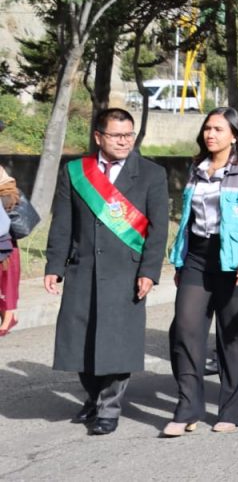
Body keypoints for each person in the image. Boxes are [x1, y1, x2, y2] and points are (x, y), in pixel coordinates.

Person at [43, 108, 170, 435]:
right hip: (83, 268)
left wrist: (149, 271)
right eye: (116, 135)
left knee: (117, 341)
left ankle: (109, 408)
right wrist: (55, 265)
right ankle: (94, 396)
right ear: (99, 137)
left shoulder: (152, 173)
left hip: (126, 271)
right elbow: (63, 223)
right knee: (81, 339)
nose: (124, 141)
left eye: (129, 135)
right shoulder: (75, 172)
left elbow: (158, 230)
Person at [163, 107, 238, 436]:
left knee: (233, 335)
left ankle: (233, 409)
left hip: (234, 259)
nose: (211, 134)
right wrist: (180, 260)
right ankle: (188, 407)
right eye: (208, 128)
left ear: (234, 135)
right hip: (197, 256)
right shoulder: (196, 168)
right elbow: (188, 219)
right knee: (185, 328)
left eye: (219, 129)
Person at [0, 153, 22, 337]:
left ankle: (9, 317)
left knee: (6, 280)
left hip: (3, 239)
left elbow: (11, 197)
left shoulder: (2, 176)